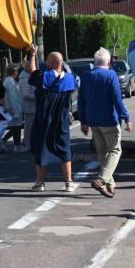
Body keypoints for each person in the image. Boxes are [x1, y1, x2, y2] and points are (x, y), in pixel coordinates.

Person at [78, 48, 131, 198]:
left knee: (102, 151)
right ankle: (102, 180)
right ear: (108, 62)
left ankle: (110, 184)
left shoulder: (86, 76)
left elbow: (81, 100)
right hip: (109, 119)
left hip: (93, 120)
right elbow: (117, 99)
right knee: (115, 150)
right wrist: (126, 117)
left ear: (95, 62)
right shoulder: (110, 75)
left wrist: (83, 121)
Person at [28, 48, 78, 192]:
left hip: (44, 120)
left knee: (40, 149)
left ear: (50, 63)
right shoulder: (70, 78)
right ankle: (69, 182)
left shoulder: (46, 76)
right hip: (62, 120)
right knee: (64, 149)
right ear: (61, 63)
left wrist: (32, 55)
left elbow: (32, 72)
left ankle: (40, 183)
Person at [3, 63, 28, 152]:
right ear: (13, 71)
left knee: (16, 127)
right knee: (16, 127)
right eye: (17, 71)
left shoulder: (11, 81)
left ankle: (6, 141)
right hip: (14, 109)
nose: (18, 73)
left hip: (14, 108)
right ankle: (16, 145)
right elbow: (12, 98)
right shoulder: (10, 82)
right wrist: (16, 112)